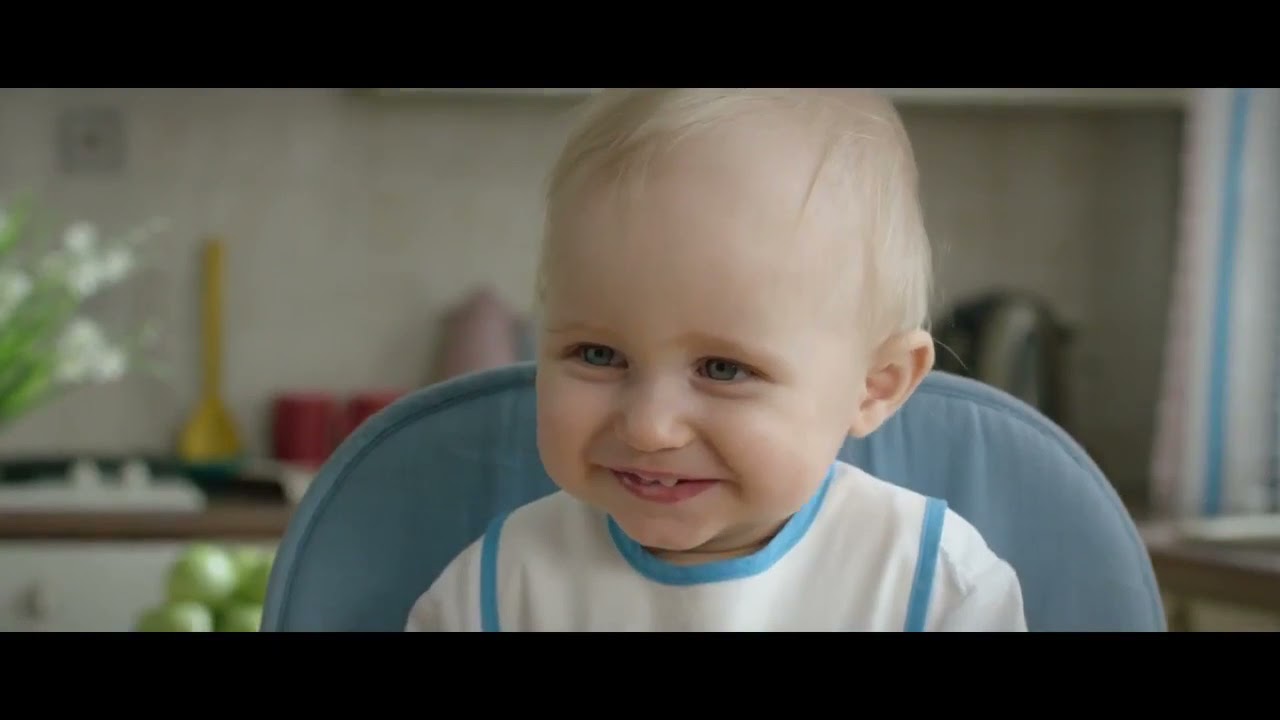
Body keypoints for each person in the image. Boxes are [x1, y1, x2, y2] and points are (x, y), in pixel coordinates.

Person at [405, 88, 1028, 632]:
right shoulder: (495, 591)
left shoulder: (935, 586)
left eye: (723, 370)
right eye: (598, 354)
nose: (649, 426)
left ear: (874, 385)